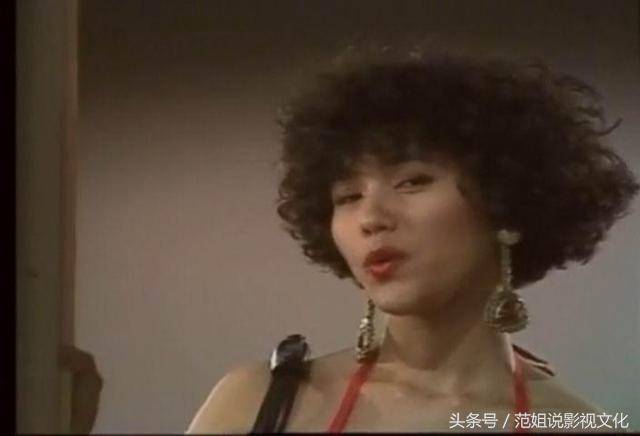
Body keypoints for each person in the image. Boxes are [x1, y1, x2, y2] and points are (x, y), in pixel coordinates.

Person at [187, 52, 638, 433]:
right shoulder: (258, 402)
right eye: (348, 196)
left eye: (412, 181)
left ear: (505, 205)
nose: (371, 218)